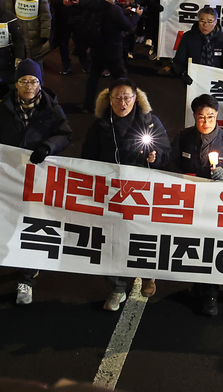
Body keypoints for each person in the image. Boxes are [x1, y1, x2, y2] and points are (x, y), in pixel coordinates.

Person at [81, 77, 171, 310]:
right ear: (108, 100)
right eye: (117, 98)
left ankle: (148, 275)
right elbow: (87, 158)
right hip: (111, 193)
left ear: (136, 98)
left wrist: (156, 157)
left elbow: (166, 153)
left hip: (143, 193)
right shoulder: (100, 125)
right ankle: (117, 287)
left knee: (143, 234)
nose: (122, 103)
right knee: (112, 239)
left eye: (127, 98)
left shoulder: (150, 122)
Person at [0, 59, 72, 304]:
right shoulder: (4, 106)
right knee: (6, 223)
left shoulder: (51, 108)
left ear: (40, 83)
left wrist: (47, 147)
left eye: (33, 80)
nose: (29, 85)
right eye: (24, 81)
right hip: (8, 177)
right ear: (16, 83)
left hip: (36, 178)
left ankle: (26, 279)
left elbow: (65, 134)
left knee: (30, 227)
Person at [167, 94, 223, 316]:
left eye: (210, 116)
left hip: (217, 205)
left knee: (212, 246)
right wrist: (183, 178)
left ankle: (211, 293)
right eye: (201, 117)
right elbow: (171, 163)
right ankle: (196, 285)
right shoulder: (183, 137)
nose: (206, 122)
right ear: (194, 117)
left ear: (217, 115)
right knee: (192, 245)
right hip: (189, 202)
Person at [82, 0, 141, 113]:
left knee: (93, 77)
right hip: (112, 49)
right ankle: (128, 103)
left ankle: (87, 104)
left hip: (96, 47)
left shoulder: (95, 3)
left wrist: (121, 11)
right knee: (122, 78)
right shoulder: (113, 8)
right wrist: (136, 15)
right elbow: (127, 25)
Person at [48, 0, 91, 75]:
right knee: (63, 43)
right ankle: (66, 65)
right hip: (63, 18)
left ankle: (85, 64)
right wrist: (62, 1)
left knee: (81, 43)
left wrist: (79, 2)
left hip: (78, 18)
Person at [171, 6, 223, 84]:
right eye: (202, 21)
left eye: (209, 21)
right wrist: (182, 73)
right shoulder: (188, 36)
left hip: (217, 79)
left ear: (215, 22)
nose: (205, 25)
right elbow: (179, 60)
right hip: (194, 78)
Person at [6, 0, 51, 71]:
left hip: (35, 35)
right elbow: (9, 14)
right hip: (19, 34)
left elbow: (46, 17)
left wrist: (45, 35)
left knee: (36, 67)